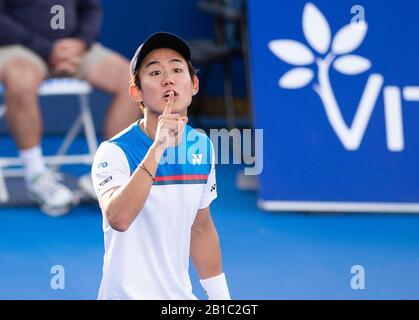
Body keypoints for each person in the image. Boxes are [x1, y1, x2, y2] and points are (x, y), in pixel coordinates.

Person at [91, 32, 231, 300]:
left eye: (177, 69)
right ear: (136, 92)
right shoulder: (114, 152)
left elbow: (200, 228)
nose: (168, 78)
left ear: (194, 85)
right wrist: (157, 149)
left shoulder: (201, 146)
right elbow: (118, 218)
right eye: (154, 73)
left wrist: (221, 299)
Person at [0, 0, 140, 216]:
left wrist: (80, 43)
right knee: (21, 81)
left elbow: (90, 8)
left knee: (131, 81)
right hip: (18, 48)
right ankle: (36, 176)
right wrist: (47, 49)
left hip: (74, 50)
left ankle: (107, 173)